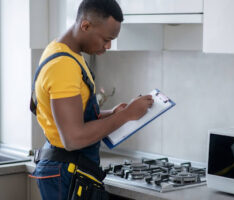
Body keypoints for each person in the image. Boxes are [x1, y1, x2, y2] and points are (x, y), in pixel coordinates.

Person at [29, 0, 154, 199]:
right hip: (65, 172)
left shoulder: (65, 52)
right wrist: (126, 116)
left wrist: (111, 113)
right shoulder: (63, 66)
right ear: (85, 25)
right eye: (106, 39)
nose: (108, 46)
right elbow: (73, 138)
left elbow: (72, 115)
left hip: (69, 168)